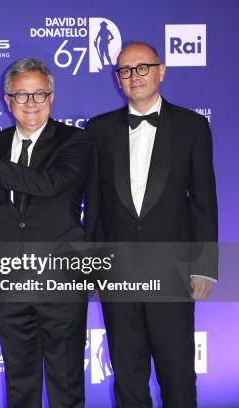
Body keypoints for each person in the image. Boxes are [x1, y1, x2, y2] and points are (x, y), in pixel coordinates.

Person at [0, 59, 91, 408]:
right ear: (7, 100)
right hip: (9, 282)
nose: (31, 102)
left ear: (52, 97)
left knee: (66, 382)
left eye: (39, 93)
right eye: (21, 94)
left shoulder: (75, 141)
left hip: (61, 282)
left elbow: (50, 183)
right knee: (19, 382)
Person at [85, 41, 217, 407]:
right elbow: (93, 206)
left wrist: (205, 266)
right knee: (127, 375)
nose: (134, 76)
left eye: (142, 67)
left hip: (172, 274)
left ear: (161, 71)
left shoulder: (192, 126)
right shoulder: (99, 130)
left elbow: (205, 202)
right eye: (126, 70)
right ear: (118, 79)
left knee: (177, 373)